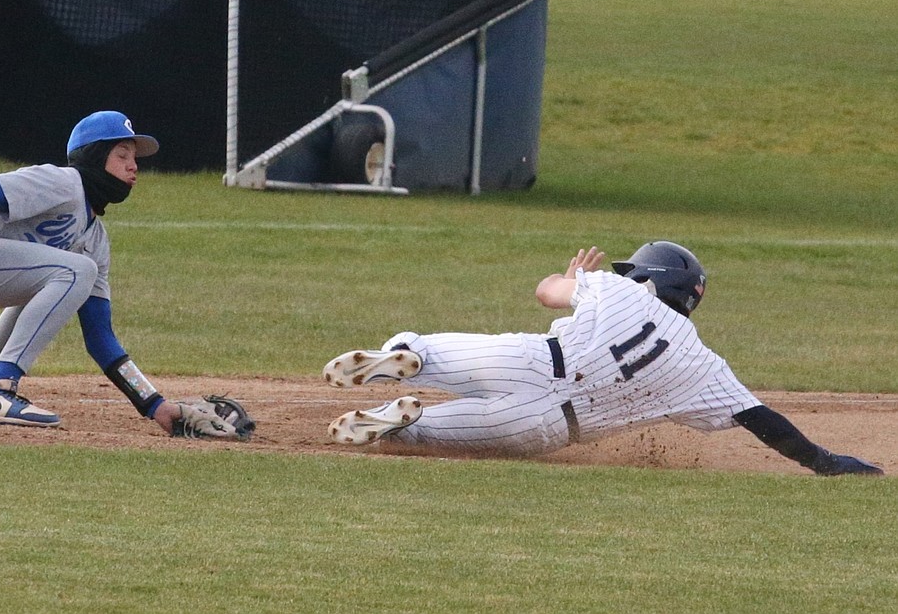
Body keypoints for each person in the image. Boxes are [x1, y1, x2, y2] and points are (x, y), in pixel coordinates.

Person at [323, 241, 883, 476]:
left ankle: (404, 357)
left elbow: (546, 293)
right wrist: (823, 460)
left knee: (421, 348)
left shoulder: (617, 291)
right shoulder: (704, 365)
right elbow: (763, 422)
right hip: (544, 428)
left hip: (533, 360)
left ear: (648, 276)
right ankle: (405, 418)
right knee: (416, 437)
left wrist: (571, 278)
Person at [0, 110, 242, 438]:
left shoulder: (94, 240)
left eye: (135, 158)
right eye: (121, 154)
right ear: (94, 157)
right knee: (73, 270)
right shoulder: (63, 182)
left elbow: (100, 338)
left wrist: (155, 405)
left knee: (62, 277)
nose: (133, 166)